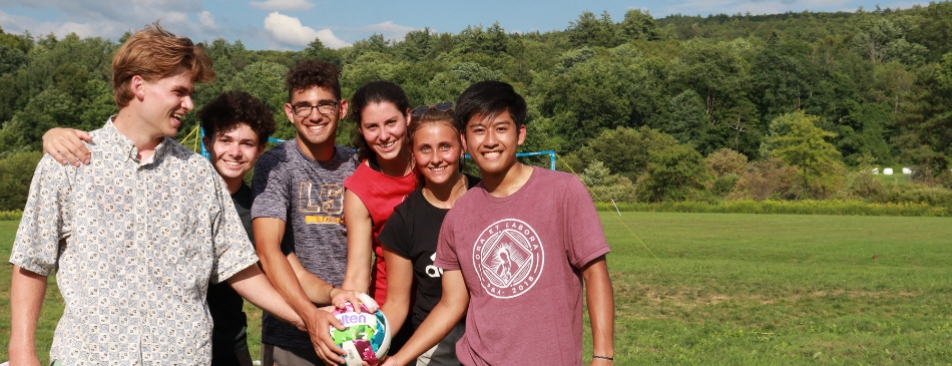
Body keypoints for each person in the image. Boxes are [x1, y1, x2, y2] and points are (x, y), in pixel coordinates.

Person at [8, 22, 306, 366]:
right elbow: (31, 263)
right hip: (88, 357)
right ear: (139, 86)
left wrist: (305, 318)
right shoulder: (68, 161)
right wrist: (21, 354)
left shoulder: (198, 174)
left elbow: (238, 268)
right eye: (179, 91)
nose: (189, 103)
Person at [40, 91, 284, 366]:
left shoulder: (259, 211)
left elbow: (258, 271)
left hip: (219, 346)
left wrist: (308, 317)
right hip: (131, 350)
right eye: (225, 140)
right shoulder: (174, 180)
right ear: (207, 142)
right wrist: (52, 134)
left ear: (261, 149)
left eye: (247, 143)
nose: (235, 152)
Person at [382, 81, 616, 366]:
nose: (490, 140)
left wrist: (603, 357)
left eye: (501, 128)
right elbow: (451, 304)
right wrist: (398, 360)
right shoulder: (459, 215)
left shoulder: (564, 191)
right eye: (479, 130)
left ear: (521, 134)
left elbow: (596, 275)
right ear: (465, 142)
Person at [251, 59, 376, 366]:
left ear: (342, 108)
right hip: (292, 338)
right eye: (303, 106)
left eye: (325, 104)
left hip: (353, 330)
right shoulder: (275, 164)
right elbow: (269, 251)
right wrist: (310, 317)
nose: (315, 114)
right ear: (290, 113)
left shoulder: (359, 164)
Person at [376, 102, 477, 366]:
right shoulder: (403, 220)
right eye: (424, 149)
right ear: (413, 153)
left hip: (491, 336)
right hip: (435, 343)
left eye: (445, 146)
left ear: (462, 144)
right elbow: (397, 303)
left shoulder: (490, 196)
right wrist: (371, 343)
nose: (435, 158)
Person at [340, 81, 419, 351]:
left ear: (408, 117)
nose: (384, 135)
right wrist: (353, 335)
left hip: (446, 307)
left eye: (391, 122)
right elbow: (358, 273)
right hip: (392, 316)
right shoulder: (360, 188)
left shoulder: (432, 162)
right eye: (372, 127)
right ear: (361, 130)